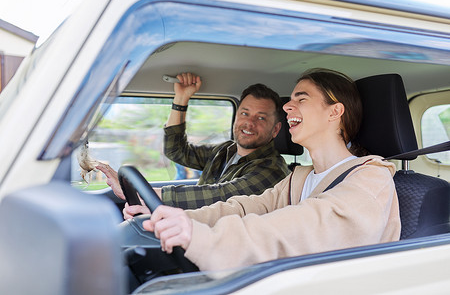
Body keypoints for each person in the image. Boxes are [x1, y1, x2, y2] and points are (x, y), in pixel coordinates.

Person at [141, 68, 401, 271]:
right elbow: (244, 207)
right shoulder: (298, 179)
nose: (288, 106)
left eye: (302, 98)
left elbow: (303, 225)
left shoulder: (371, 178)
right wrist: (180, 219)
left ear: (335, 112)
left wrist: (202, 238)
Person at [97, 72, 290, 211]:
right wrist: (181, 99)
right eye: (245, 113)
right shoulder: (226, 150)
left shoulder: (272, 170)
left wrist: (143, 193)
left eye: (261, 118)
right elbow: (177, 151)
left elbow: (220, 195)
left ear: (275, 130)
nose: (249, 122)